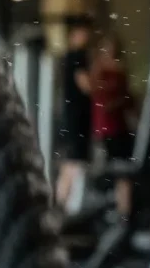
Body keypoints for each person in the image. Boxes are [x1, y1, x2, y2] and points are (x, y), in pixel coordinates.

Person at [89, 32, 135, 217]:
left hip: (120, 127)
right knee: (116, 172)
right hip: (107, 127)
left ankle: (124, 210)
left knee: (124, 172)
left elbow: (128, 99)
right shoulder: (100, 71)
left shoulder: (119, 71)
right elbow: (103, 99)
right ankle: (119, 210)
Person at [54, 16, 94, 213]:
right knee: (74, 162)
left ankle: (63, 205)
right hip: (76, 118)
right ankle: (69, 208)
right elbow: (86, 85)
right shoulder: (78, 56)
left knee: (71, 162)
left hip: (73, 117)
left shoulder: (71, 56)